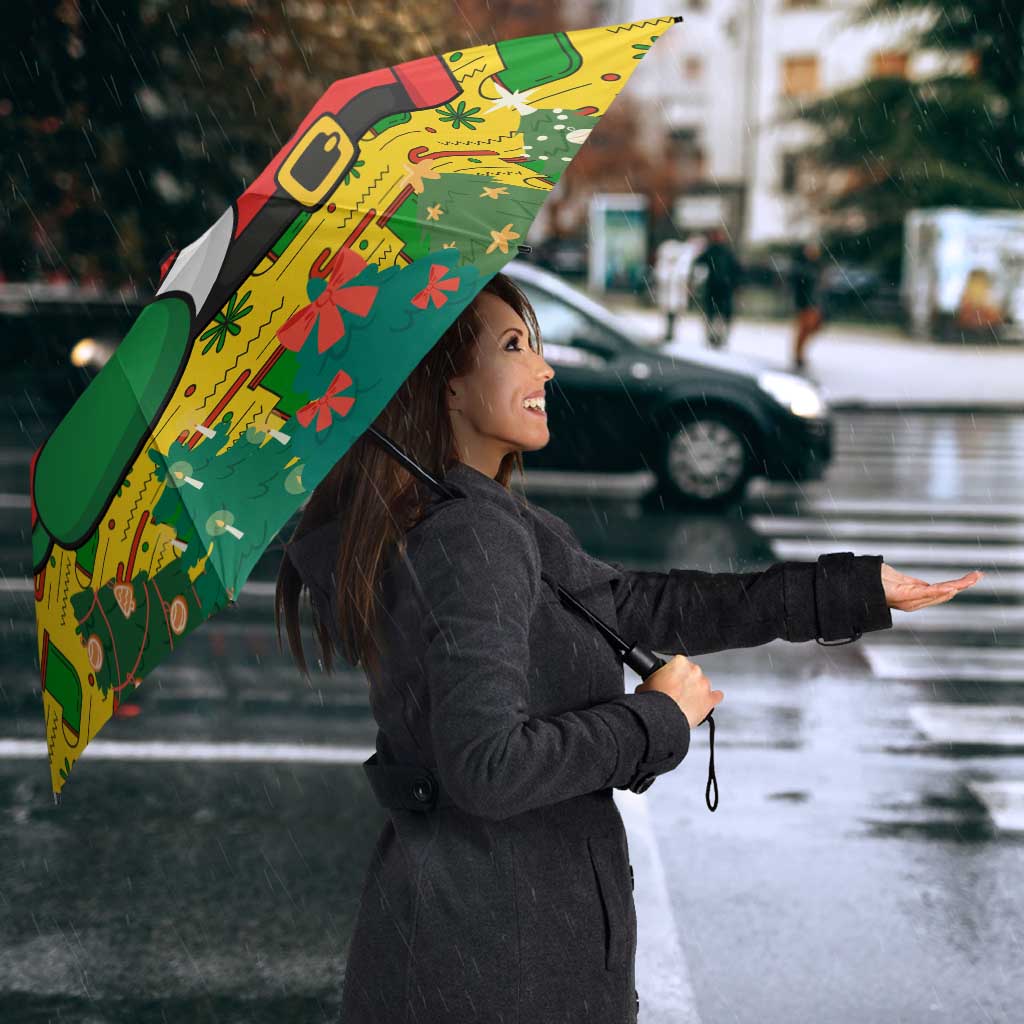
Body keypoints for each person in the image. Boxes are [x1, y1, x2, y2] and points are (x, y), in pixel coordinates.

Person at [276, 272, 981, 1024]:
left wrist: (849, 590)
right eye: (514, 346)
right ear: (445, 388)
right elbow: (487, 767)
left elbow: (644, 605)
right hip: (496, 962)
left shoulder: (480, 520)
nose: (544, 368)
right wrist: (655, 719)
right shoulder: (469, 536)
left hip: (481, 943)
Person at [692, 226, 742, 349]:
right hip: (715, 288)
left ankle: (719, 337)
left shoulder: (725, 252)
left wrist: (735, 284)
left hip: (723, 288)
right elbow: (698, 264)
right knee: (713, 314)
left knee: (720, 315)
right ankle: (713, 337)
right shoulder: (712, 251)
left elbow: (736, 270)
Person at [790, 240, 826, 371]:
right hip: (805, 303)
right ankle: (798, 355)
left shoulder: (817, 266)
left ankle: (800, 354)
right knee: (804, 329)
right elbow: (799, 286)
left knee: (813, 328)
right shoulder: (802, 267)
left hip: (814, 303)